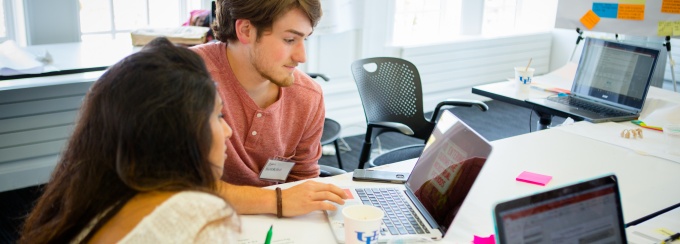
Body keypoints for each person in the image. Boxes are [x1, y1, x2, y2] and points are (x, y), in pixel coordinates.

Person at [20, 37, 239, 243]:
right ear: (175, 135)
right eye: (218, 116)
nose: (227, 130)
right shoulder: (201, 217)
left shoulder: (84, 206)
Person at [190, 0, 347, 217]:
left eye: (305, 39)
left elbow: (302, 179)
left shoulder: (308, 96)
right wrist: (276, 200)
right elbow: (175, 187)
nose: (302, 57)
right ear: (246, 30)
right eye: (290, 39)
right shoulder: (187, 79)